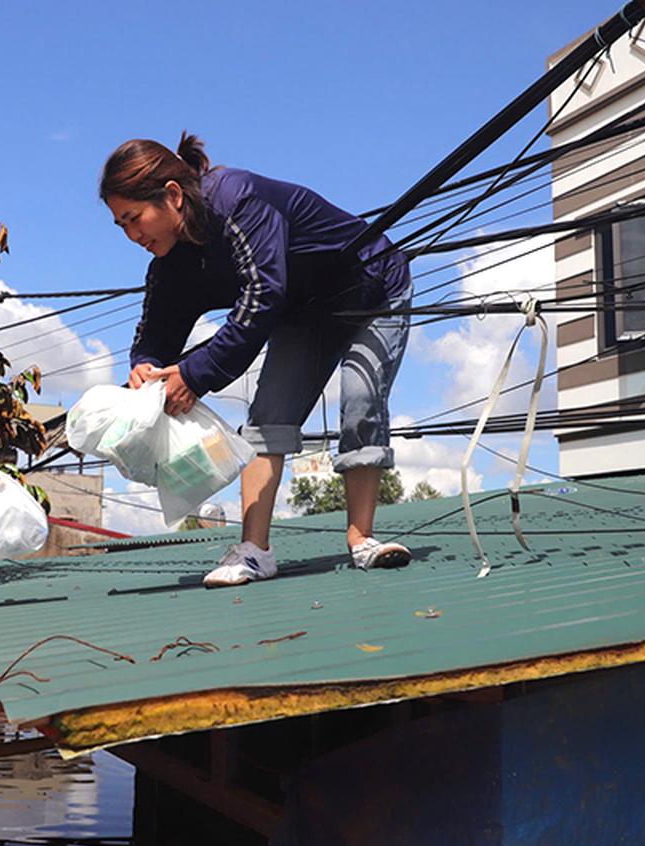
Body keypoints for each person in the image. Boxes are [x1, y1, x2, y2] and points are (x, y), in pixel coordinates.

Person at [101, 133, 415, 585]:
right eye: (121, 226)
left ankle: (362, 539)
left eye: (134, 218)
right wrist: (145, 368)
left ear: (172, 195)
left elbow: (263, 294)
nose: (133, 236)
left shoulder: (236, 200)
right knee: (269, 416)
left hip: (373, 287)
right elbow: (156, 334)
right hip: (303, 311)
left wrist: (195, 375)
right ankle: (255, 551)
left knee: (360, 399)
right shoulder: (170, 266)